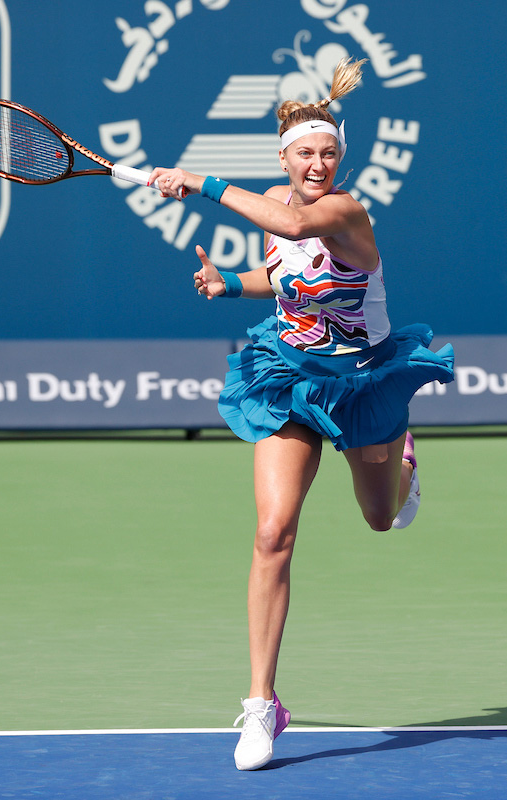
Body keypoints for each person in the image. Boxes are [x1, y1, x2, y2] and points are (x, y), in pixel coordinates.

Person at [149, 57, 455, 771]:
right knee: (271, 531)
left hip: (364, 382)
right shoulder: (273, 212)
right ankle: (263, 704)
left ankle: (402, 463)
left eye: (327, 153)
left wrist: (198, 180)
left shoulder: (345, 212)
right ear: (283, 157)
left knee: (381, 516)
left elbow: (294, 222)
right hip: (290, 375)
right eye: (304, 154)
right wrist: (231, 284)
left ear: (339, 159)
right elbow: (287, 278)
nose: (317, 163)